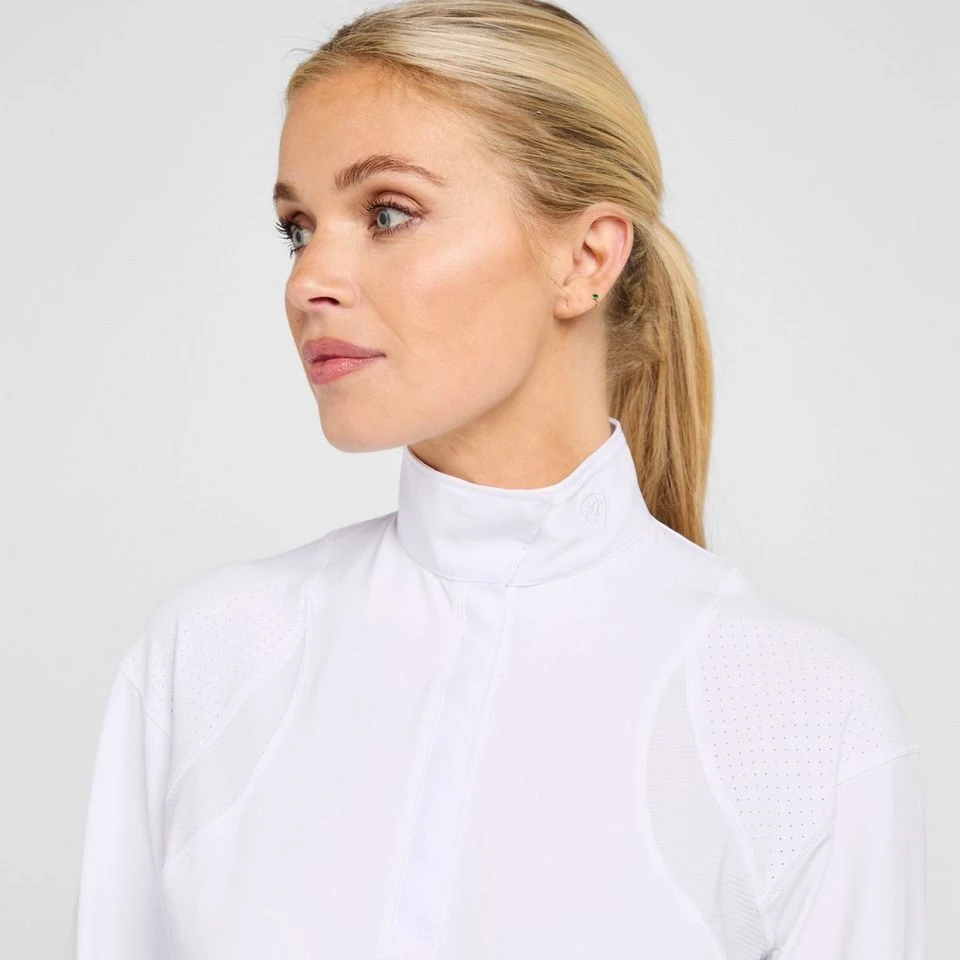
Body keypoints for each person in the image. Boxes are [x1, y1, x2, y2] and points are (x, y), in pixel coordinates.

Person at [71, 1, 925, 958]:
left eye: (387, 213)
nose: (308, 280)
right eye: (297, 228)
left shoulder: (798, 719)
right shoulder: (210, 659)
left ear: (587, 257)